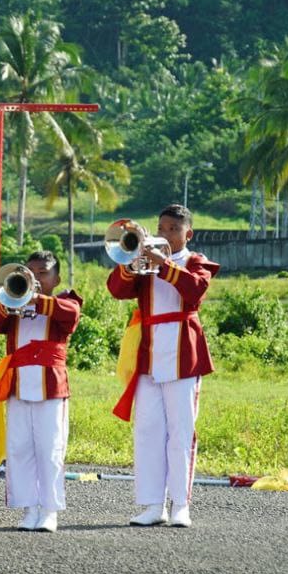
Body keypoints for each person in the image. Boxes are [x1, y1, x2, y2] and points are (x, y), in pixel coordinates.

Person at [107, 204, 219, 528]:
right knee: (148, 431)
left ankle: (181, 504)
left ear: (188, 233)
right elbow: (116, 290)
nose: (165, 234)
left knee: (181, 433)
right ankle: (153, 505)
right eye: (161, 228)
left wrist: (164, 263)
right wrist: (131, 263)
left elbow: (195, 291)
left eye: (173, 229)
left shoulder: (195, 261)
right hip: (149, 353)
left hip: (184, 352)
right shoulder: (145, 264)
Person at [0, 252, 81, 532]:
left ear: (57, 278)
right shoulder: (12, 299)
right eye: (32, 272)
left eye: (44, 273)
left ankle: (50, 510)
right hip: (18, 382)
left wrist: (39, 300)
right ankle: (29, 508)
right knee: (19, 447)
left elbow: (71, 316)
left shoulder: (66, 299)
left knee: (50, 448)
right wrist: (9, 300)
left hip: (51, 384)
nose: (36, 278)